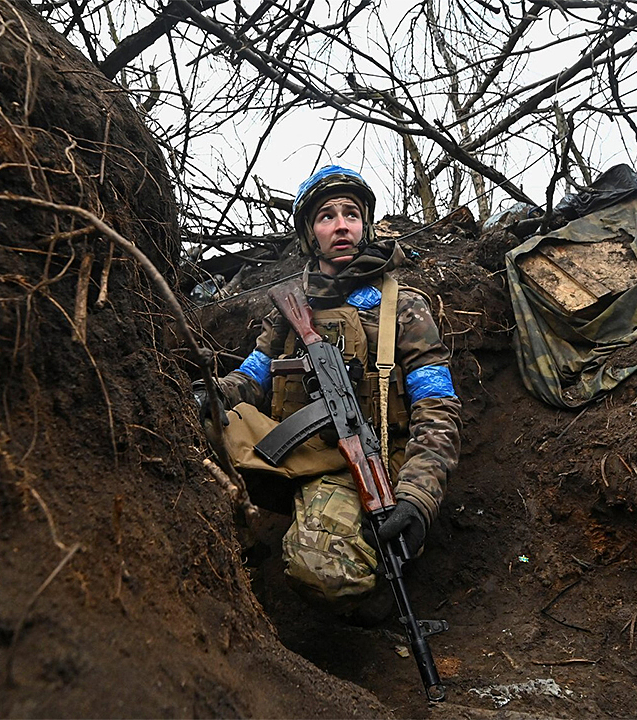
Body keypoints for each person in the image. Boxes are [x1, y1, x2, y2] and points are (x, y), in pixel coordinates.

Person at [197, 165, 461, 621]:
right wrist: (210, 393)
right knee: (194, 418)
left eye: (351, 214)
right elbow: (252, 379)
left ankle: (370, 586)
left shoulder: (403, 305)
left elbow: (437, 406)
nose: (341, 225)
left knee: (328, 571)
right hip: (298, 454)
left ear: (365, 225)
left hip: (371, 456)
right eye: (326, 215)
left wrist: (417, 497)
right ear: (309, 234)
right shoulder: (289, 310)